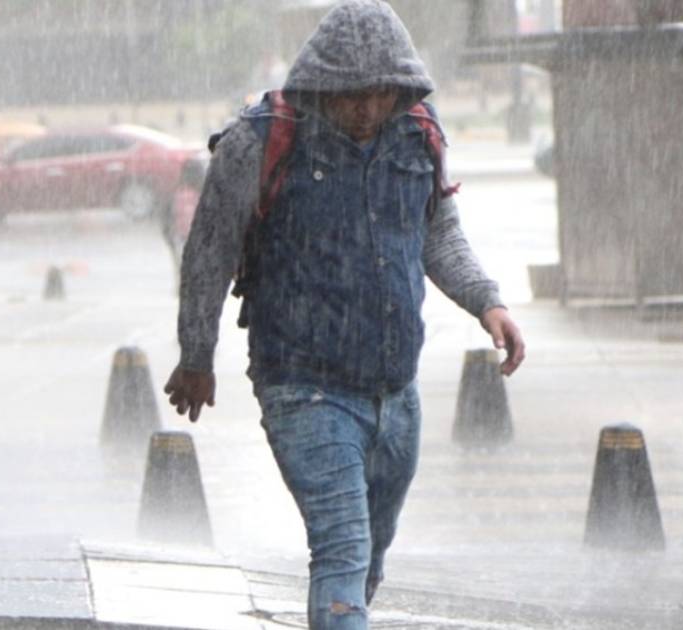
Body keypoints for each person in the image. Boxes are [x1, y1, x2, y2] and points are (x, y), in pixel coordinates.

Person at [163, 1, 524, 628]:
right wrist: (197, 356)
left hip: (395, 392)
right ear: (321, 85)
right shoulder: (259, 142)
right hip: (303, 388)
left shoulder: (416, 132)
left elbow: (438, 233)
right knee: (342, 549)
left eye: (380, 93)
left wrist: (487, 302)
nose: (365, 109)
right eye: (350, 94)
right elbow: (208, 255)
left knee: (367, 560)